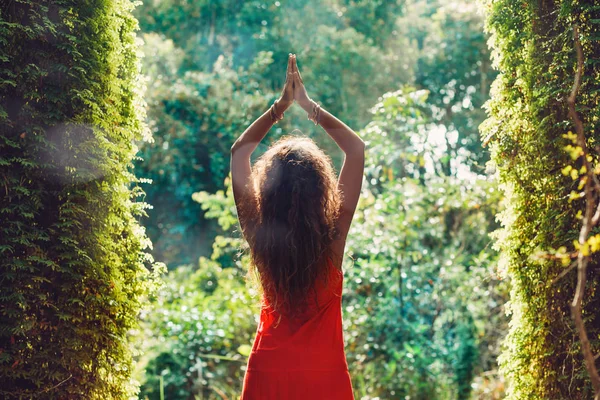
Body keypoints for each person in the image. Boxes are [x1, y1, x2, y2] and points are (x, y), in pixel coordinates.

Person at [230, 53, 365, 400]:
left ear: (268, 192)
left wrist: (280, 107)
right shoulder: (332, 239)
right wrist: (307, 106)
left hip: (268, 371)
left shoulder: (259, 236)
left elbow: (239, 152)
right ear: (320, 189)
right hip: (325, 372)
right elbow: (356, 149)